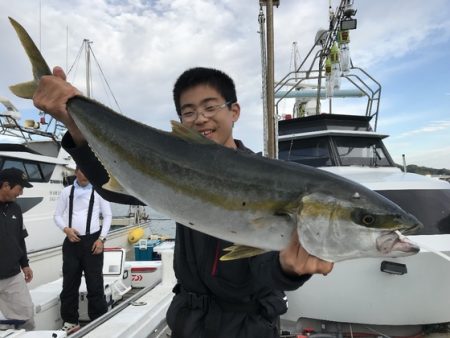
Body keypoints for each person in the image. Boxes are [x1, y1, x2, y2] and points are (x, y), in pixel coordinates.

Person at [33, 66, 333, 338]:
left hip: (246, 326)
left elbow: (265, 268)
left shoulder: (266, 178)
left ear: (235, 111)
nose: (200, 117)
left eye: (210, 106)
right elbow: (117, 189)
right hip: (188, 321)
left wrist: (289, 269)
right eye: (188, 111)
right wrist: (74, 123)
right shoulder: (176, 167)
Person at [53, 166, 112, 334]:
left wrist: (101, 239)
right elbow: (57, 215)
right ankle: (70, 321)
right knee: (69, 283)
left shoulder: (100, 191)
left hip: (93, 242)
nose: (84, 174)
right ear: (76, 171)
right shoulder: (67, 192)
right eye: (81, 170)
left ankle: (99, 320)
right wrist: (66, 230)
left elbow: (107, 216)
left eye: (87, 171)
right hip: (71, 242)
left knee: (95, 284)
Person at [0, 168, 35, 331]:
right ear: (6, 185)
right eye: (19, 188)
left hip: (13, 277)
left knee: (27, 317)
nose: (20, 193)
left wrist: (25, 264)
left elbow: (20, 239)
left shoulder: (16, 209)